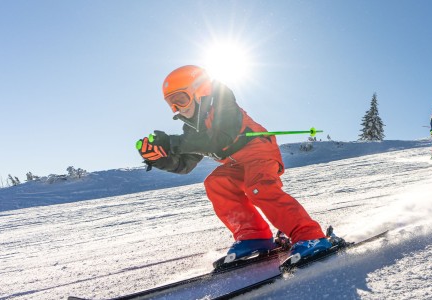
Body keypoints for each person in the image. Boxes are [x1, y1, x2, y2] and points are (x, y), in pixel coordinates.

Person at [136, 65, 331, 266]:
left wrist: (172, 143)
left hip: (259, 151)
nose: (178, 109)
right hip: (237, 161)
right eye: (172, 104)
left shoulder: (222, 101)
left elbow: (219, 140)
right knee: (216, 182)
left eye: (181, 99)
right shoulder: (191, 128)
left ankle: (310, 236)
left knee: (259, 188)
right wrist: (159, 158)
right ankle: (254, 236)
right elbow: (185, 165)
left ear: (200, 90)